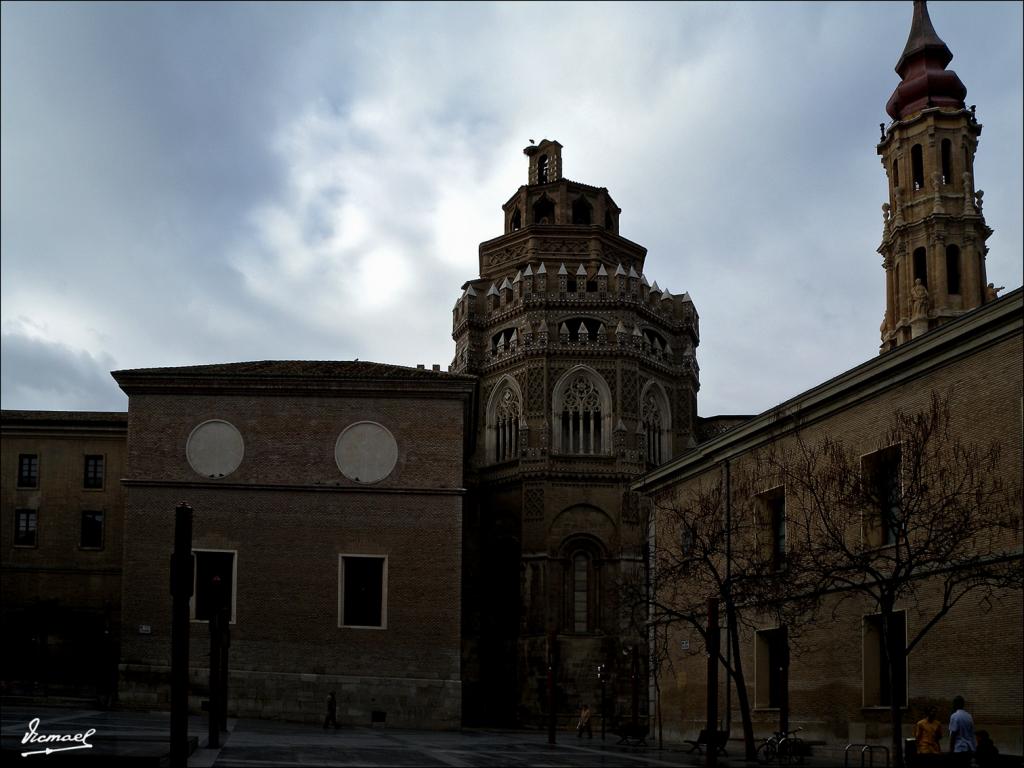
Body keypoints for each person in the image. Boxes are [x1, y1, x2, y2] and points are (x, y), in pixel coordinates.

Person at [948, 695, 975, 762]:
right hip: (968, 749)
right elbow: (971, 734)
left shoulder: (954, 716)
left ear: (956, 704)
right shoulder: (969, 716)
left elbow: (953, 734)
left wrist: (951, 750)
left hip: (959, 749)